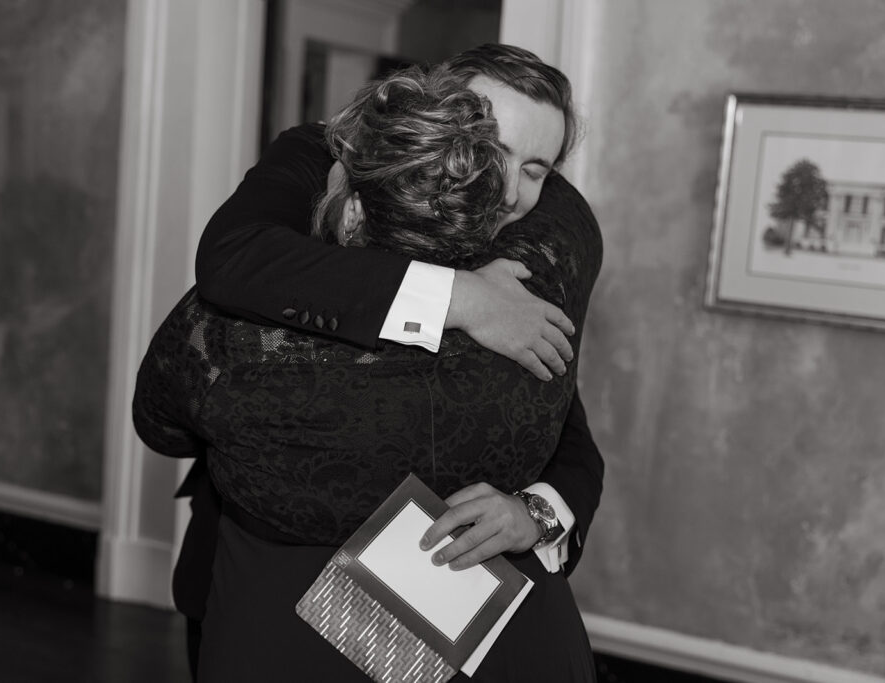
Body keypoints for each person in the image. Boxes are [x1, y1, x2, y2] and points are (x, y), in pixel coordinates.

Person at [134, 65, 601, 680]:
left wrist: (536, 512)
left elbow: (565, 428)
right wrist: (460, 297)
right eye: (489, 148)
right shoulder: (324, 160)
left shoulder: (530, 263)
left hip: (455, 607)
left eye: (535, 170)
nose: (507, 191)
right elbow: (234, 257)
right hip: (260, 582)